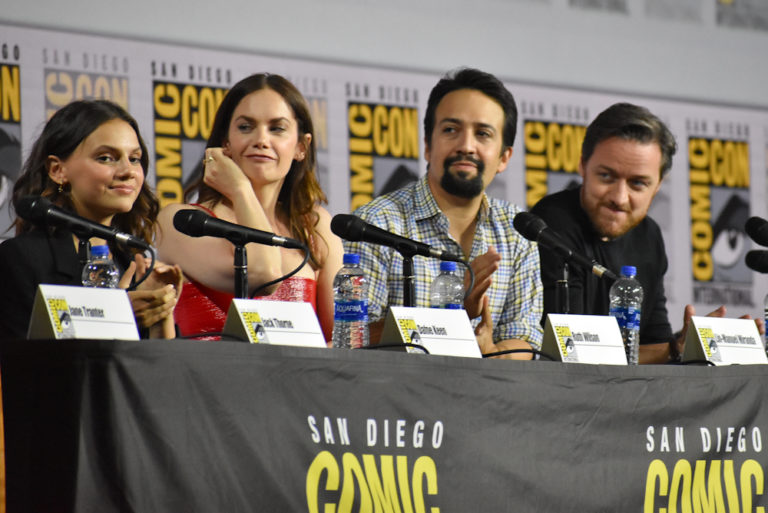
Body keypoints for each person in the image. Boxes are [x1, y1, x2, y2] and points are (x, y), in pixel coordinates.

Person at [530, 102, 762, 364]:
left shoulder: (649, 235)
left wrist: (689, 345)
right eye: (606, 176)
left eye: (638, 183)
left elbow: (652, 344)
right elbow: (575, 352)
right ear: (583, 165)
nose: (619, 197)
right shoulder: (550, 225)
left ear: (658, 185)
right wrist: (673, 350)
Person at [344, 68, 543, 359]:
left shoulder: (516, 232)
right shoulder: (376, 224)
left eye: (483, 134)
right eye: (451, 130)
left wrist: (492, 353)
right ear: (428, 145)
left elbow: (525, 336)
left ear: (504, 157)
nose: (466, 146)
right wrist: (453, 316)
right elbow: (353, 334)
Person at [156, 73, 343, 341]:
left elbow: (342, 338)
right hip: (207, 368)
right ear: (226, 143)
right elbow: (263, 274)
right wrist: (240, 189)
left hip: (301, 369)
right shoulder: (180, 221)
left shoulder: (315, 225)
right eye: (246, 127)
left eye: (277, 128)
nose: (261, 140)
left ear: (301, 147)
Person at [0, 100, 182, 339]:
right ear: (57, 170)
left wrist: (161, 313)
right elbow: (24, 359)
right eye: (106, 158)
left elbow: (163, 363)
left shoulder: (135, 265)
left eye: (134, 158)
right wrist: (118, 316)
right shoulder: (21, 259)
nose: (128, 171)